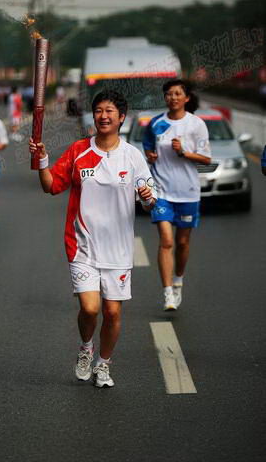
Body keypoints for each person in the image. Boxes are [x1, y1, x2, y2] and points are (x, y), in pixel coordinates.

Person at [29, 90, 157, 388]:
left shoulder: (132, 156)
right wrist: (42, 159)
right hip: (81, 244)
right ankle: (86, 348)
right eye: (99, 110)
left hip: (118, 249)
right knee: (90, 308)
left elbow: (150, 199)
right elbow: (51, 186)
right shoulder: (78, 151)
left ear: (121, 117)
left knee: (112, 312)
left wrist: (148, 198)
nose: (104, 115)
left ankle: (104, 363)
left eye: (110, 111)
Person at [143, 79, 211, 311]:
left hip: (188, 192)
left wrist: (184, 152)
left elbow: (206, 159)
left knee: (182, 242)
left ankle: (178, 280)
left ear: (186, 98)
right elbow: (148, 148)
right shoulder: (156, 123)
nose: (172, 97)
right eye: (169, 94)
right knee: (167, 241)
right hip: (161, 190)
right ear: (165, 98)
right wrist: (150, 156)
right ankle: (167, 293)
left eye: (177, 93)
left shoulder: (196, 125)